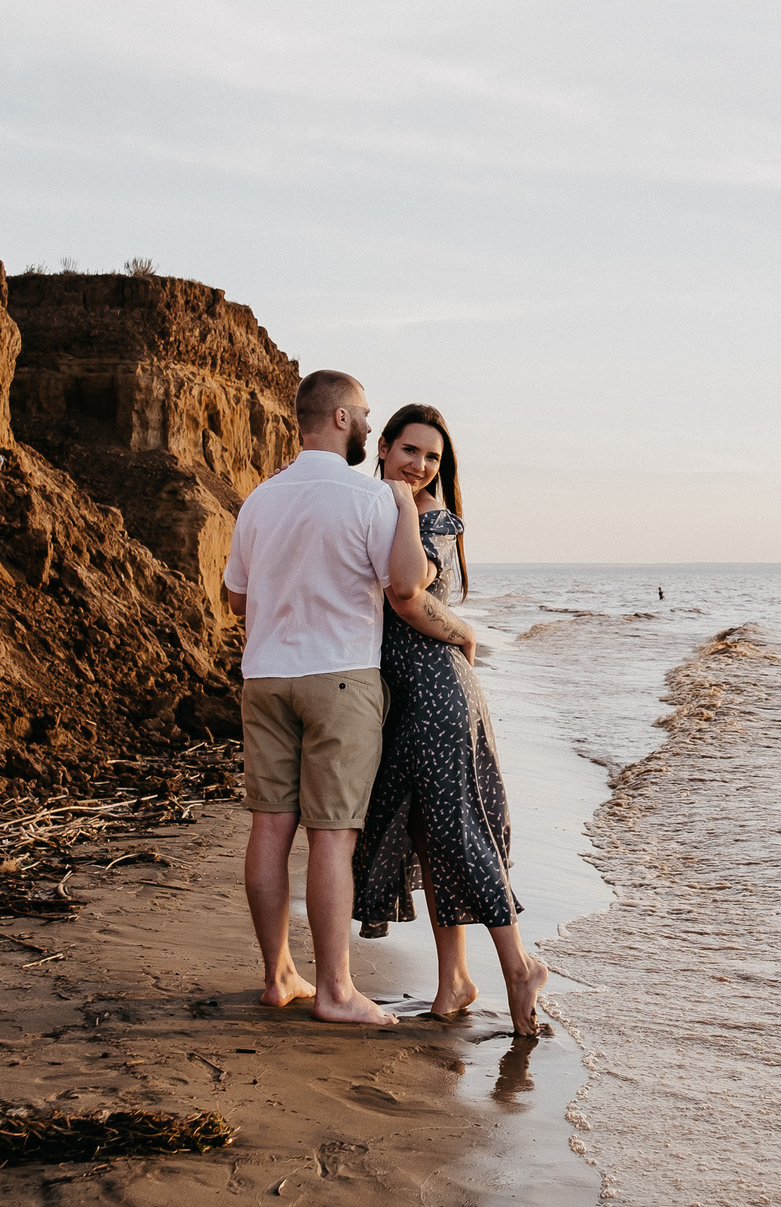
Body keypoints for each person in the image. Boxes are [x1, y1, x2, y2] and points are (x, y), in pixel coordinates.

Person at [221, 369, 427, 1027]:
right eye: (365, 414)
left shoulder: (259, 499)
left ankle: (279, 974)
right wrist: (402, 507)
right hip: (339, 677)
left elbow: (235, 598)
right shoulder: (367, 499)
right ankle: (337, 990)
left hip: (265, 678)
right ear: (340, 418)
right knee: (332, 839)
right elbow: (404, 586)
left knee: (269, 826)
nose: (370, 425)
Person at [351, 403, 549, 1035]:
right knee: (428, 835)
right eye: (410, 451)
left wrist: (462, 628)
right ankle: (454, 981)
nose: (420, 465)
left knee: (458, 829)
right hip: (400, 697)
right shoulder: (375, 505)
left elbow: (410, 594)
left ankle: (517, 965)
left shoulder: (427, 516)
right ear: (382, 447)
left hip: (438, 694)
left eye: (432, 457)